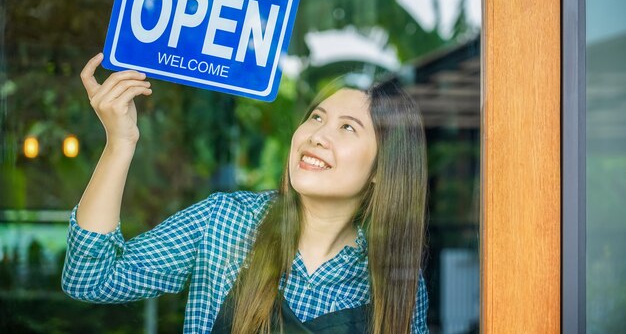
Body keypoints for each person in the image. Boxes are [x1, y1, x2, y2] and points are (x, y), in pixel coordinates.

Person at [62, 53, 429, 334]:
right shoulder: (226, 222)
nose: (317, 135)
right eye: (316, 117)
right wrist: (120, 143)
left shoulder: (398, 283)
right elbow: (91, 278)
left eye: (348, 128)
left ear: (383, 169)